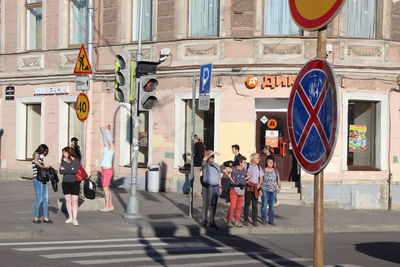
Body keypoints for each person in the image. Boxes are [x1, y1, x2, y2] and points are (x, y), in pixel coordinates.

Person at [223, 156, 251, 227]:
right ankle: (228, 221)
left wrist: (244, 179)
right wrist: (230, 178)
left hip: (241, 189)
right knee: (232, 206)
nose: (245, 164)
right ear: (240, 163)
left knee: (239, 206)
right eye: (244, 162)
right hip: (233, 189)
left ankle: (237, 221)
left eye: (245, 162)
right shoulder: (234, 168)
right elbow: (225, 171)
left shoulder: (244, 170)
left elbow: (250, 175)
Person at [32, 144, 53, 224]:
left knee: (45, 199)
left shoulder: (42, 158)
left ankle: (45, 218)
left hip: (43, 179)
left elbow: (42, 167)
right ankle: (35, 218)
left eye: (46, 152)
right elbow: (36, 162)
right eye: (45, 151)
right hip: (37, 179)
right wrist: (44, 167)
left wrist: (47, 167)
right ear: (41, 149)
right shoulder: (36, 154)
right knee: (39, 199)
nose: (45, 153)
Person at [200, 150, 222, 228]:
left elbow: (219, 176)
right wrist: (211, 153)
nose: (212, 158)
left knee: (214, 205)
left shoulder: (216, 165)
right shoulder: (205, 165)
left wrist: (220, 187)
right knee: (206, 205)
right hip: (207, 187)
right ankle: (204, 221)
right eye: (211, 157)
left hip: (215, 187)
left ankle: (212, 221)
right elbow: (203, 159)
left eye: (213, 157)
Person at [59, 147, 80, 226]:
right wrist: (69, 169)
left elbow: (75, 170)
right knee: (68, 201)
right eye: (63, 153)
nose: (64, 154)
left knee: (74, 201)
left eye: (65, 152)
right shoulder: (63, 161)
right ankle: (70, 217)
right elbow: (61, 171)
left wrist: (66, 169)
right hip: (65, 182)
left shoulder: (76, 160)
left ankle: (75, 219)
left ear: (69, 152)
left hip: (75, 182)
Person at [243, 153, 264, 227]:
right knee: (247, 204)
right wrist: (244, 181)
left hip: (256, 187)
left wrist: (260, 184)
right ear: (253, 159)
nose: (259, 159)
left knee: (255, 205)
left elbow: (261, 177)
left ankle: (254, 220)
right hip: (248, 186)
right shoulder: (247, 165)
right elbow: (242, 174)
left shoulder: (258, 166)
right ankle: (245, 220)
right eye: (258, 158)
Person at [260, 156, 281, 226]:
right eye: (269, 162)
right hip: (265, 190)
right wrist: (259, 189)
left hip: (273, 190)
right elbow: (261, 180)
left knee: (271, 207)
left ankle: (271, 220)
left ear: (273, 163)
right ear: (266, 162)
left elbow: (278, 180)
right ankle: (263, 220)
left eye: (271, 162)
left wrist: (279, 187)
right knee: (264, 206)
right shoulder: (263, 170)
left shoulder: (276, 171)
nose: (270, 163)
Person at [99, 126, 115, 212]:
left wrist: (107, 131)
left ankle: (108, 205)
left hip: (107, 171)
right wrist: (103, 132)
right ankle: (110, 204)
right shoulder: (106, 149)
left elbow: (109, 140)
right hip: (104, 171)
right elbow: (105, 140)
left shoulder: (111, 149)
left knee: (105, 188)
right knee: (107, 188)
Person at [193, 135, 205, 199]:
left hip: (197, 165)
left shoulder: (197, 145)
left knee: (197, 179)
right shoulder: (201, 145)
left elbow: (199, 155)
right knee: (197, 179)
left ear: (195, 139)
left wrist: (199, 164)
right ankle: (196, 193)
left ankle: (198, 194)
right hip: (200, 164)